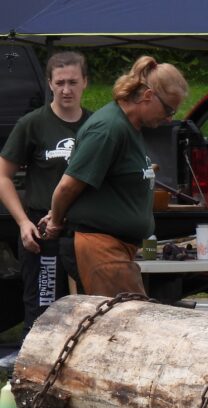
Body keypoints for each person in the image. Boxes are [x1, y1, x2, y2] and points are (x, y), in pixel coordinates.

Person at [42, 55, 188, 297]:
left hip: (116, 249)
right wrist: (56, 221)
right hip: (99, 248)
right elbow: (67, 187)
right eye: (169, 109)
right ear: (148, 96)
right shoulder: (109, 129)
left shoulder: (130, 128)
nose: (170, 118)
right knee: (125, 327)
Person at [0, 51, 90, 365]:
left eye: (73, 82)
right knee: (43, 305)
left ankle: (82, 365)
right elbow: (3, 176)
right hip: (43, 230)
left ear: (85, 83)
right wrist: (23, 222)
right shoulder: (33, 123)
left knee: (88, 306)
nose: (67, 89)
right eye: (60, 82)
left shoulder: (96, 126)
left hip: (85, 229)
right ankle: (31, 366)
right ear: (50, 84)